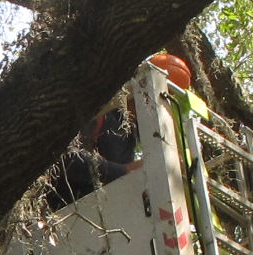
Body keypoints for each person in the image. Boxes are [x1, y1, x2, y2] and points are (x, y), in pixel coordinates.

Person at [47, 51, 191, 208]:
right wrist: (125, 171)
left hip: (102, 211)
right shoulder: (102, 110)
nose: (159, 107)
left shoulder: (131, 134)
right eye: (159, 98)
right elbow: (64, 158)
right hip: (65, 208)